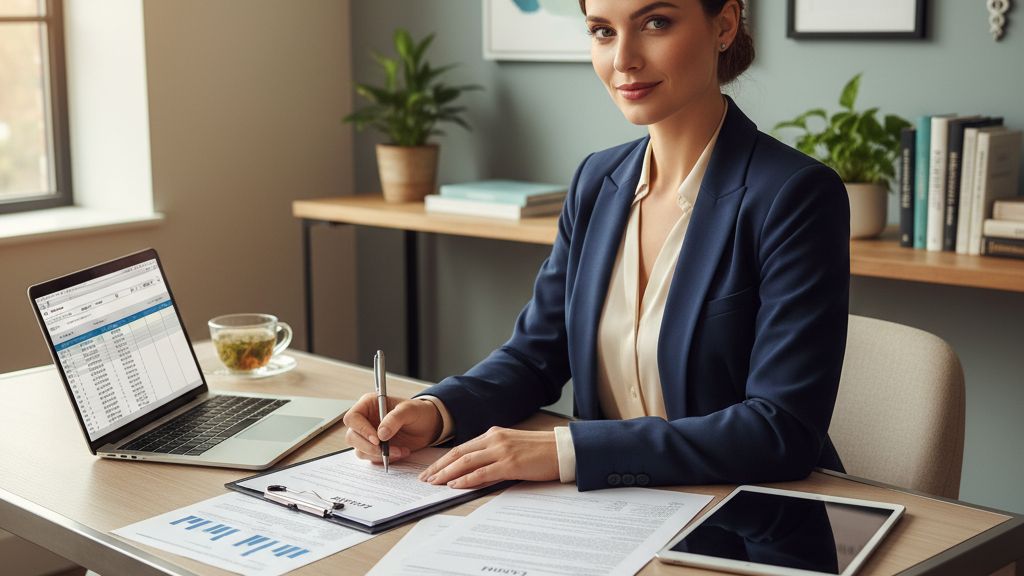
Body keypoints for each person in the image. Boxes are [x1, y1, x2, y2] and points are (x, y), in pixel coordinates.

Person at [343, 0, 850, 491]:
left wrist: (568, 450)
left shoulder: (794, 195)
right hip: (608, 513)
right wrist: (436, 412)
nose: (623, 59)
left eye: (655, 22)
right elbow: (535, 355)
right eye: (602, 30)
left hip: (744, 515)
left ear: (725, 24)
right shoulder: (597, 181)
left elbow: (781, 427)